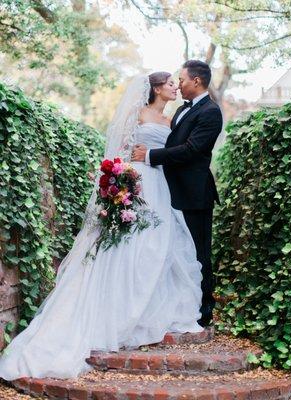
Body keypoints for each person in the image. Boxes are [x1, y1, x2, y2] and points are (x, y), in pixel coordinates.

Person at [0, 72, 203, 380]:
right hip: (138, 182)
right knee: (129, 245)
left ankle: (149, 307)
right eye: (171, 83)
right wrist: (122, 185)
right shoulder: (138, 113)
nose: (176, 86)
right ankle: (119, 309)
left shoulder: (172, 120)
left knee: (159, 246)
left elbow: (174, 153)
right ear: (157, 88)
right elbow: (119, 152)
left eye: (178, 82)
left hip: (162, 185)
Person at [132, 60, 223, 327]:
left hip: (195, 193)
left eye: (181, 80)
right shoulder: (183, 110)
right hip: (169, 190)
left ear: (196, 81)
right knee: (177, 250)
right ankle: (179, 303)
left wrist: (149, 155)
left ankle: (204, 311)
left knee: (198, 251)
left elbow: (192, 150)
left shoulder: (210, 112)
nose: (178, 84)